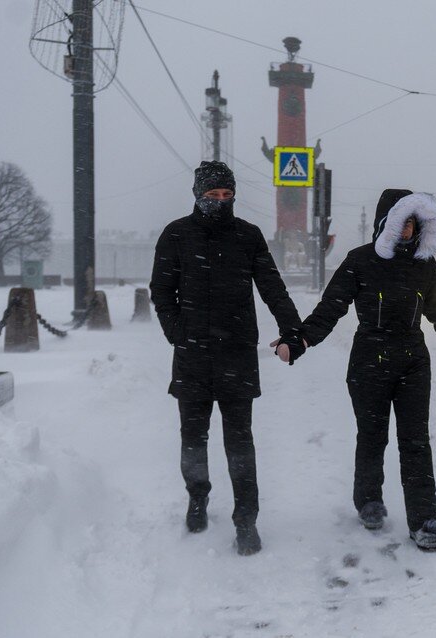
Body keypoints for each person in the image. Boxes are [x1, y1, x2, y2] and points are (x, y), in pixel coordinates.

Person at [296, 189, 436, 552]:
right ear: (385, 221)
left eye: (413, 222)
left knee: (415, 442)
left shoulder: (424, 263)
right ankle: (369, 502)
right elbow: (331, 307)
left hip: (413, 362)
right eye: (401, 220)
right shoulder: (360, 260)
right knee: (372, 437)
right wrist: (301, 340)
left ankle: (423, 521)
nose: (407, 228)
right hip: (369, 362)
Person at [150, 161, 305, 556]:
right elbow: (162, 292)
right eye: (212, 195)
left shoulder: (247, 236)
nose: (220, 202)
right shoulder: (176, 235)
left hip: (236, 354)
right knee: (193, 439)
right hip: (192, 355)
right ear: (198, 195)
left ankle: (245, 520)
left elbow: (272, 287)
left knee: (240, 443)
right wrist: (177, 333)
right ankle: (197, 496)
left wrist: (293, 330)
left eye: (226, 195)